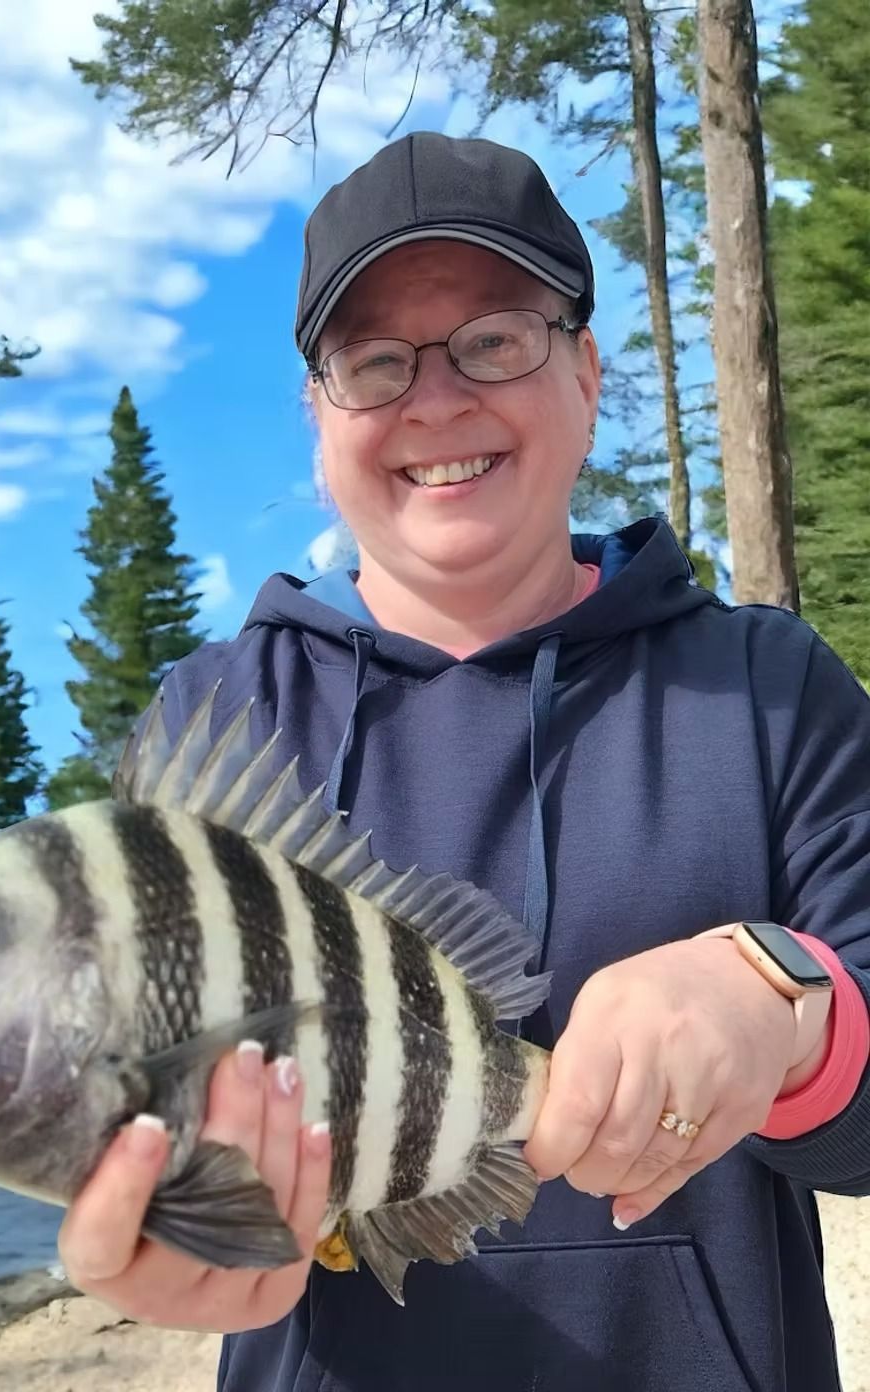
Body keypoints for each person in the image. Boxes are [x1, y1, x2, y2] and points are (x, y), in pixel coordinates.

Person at [55, 131, 870, 1391]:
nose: (435, 402)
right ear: (321, 420)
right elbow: (132, 1070)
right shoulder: (218, 721)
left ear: (586, 373)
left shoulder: (766, 687)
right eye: (375, 364)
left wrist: (789, 1008)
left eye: (494, 338)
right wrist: (169, 1227)